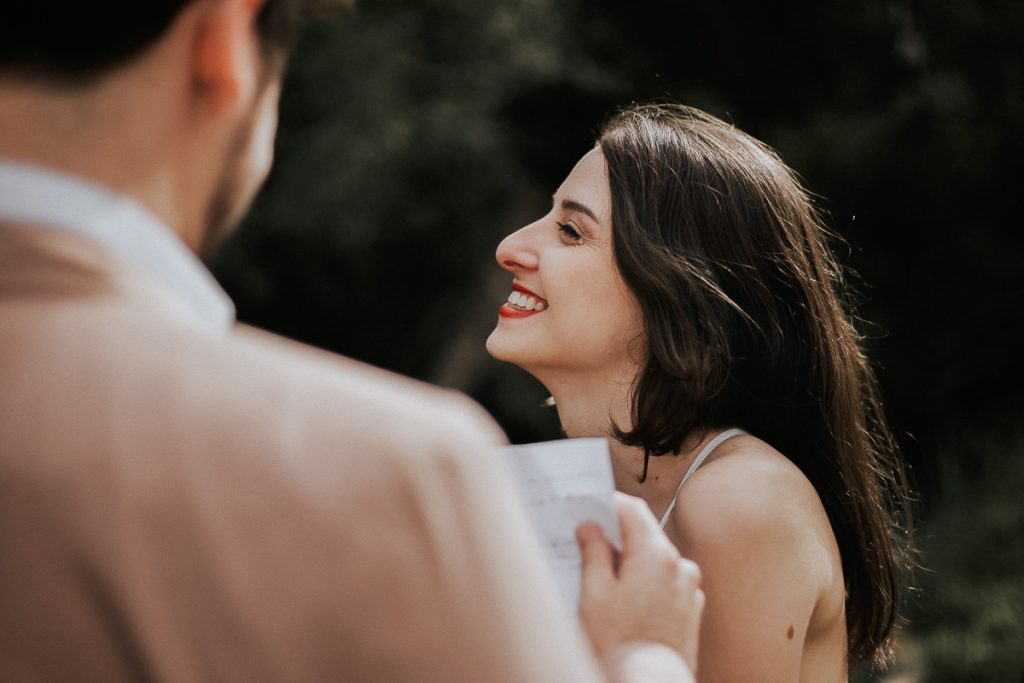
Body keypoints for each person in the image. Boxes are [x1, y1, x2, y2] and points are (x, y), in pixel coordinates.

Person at [0, 4, 705, 681]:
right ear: (225, 34)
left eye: (571, 229)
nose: (511, 248)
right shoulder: (390, 470)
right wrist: (644, 658)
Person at [487, 103, 912, 681]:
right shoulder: (576, 490)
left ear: (677, 289)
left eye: (570, 229)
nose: (510, 246)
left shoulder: (740, 501)